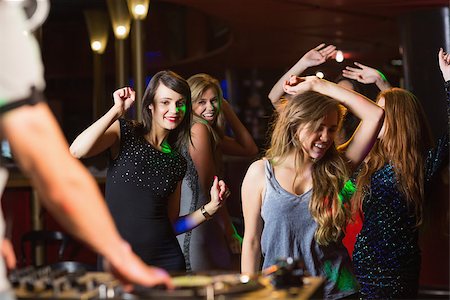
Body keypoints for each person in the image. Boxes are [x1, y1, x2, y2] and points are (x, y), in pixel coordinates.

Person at [0, 2, 172, 298]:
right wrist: (119, 255)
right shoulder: (5, 25)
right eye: (166, 102)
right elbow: (61, 164)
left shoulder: (176, 155)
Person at [241, 74, 384, 299]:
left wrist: (319, 85)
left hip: (337, 292)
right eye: (318, 127)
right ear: (295, 124)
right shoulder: (260, 173)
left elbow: (375, 114)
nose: (325, 137)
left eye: (332, 128)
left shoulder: (337, 167)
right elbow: (251, 242)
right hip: (281, 293)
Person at [70, 72, 229, 272]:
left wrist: (211, 208)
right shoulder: (125, 132)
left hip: (166, 262)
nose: (174, 110)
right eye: (165, 102)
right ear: (150, 105)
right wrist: (116, 111)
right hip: (119, 260)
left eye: (180, 103)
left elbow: (172, 225)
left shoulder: (176, 161)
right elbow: (77, 150)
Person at [346, 49, 449, 299]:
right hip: (363, 263)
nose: (374, 117)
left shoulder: (420, 164)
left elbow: (402, 106)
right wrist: (381, 82)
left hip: (400, 268)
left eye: (381, 114)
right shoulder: (368, 161)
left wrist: (448, 81)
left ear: (397, 119)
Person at [177, 73, 258, 272]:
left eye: (215, 101)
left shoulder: (206, 131)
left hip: (201, 223)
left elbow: (249, 149)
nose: (210, 107)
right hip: (197, 228)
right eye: (201, 102)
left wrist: (227, 109)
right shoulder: (198, 129)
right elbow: (209, 188)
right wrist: (230, 232)